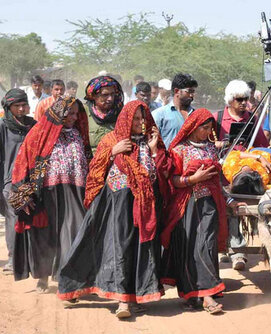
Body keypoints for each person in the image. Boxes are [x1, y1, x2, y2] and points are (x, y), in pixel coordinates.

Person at [58, 100, 170, 318]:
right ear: (127, 118)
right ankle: (122, 302)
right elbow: (95, 170)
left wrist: (156, 150)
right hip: (117, 203)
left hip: (145, 205)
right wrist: (112, 152)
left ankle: (136, 295)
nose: (140, 123)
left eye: (143, 118)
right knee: (120, 248)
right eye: (136, 118)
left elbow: (164, 172)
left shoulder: (152, 140)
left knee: (142, 250)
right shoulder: (112, 139)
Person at [161, 109, 244, 313]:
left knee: (206, 246)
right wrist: (193, 179)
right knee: (188, 249)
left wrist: (230, 200)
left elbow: (218, 180)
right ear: (193, 127)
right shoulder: (178, 150)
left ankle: (207, 294)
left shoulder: (210, 149)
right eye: (204, 128)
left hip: (209, 205)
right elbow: (173, 180)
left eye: (210, 128)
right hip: (187, 206)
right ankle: (192, 295)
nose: (208, 132)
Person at [9, 97, 92, 292]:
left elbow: (88, 160)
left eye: (76, 113)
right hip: (45, 195)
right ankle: (43, 277)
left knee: (75, 233)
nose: (73, 117)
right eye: (69, 113)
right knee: (45, 238)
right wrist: (23, 191)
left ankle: (70, 281)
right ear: (58, 112)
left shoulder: (79, 135)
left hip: (74, 193)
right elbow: (23, 161)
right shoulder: (40, 133)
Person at [0, 89, 36, 274]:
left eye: (24, 105)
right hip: (10, 181)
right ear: (9, 107)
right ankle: (14, 258)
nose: (22, 109)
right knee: (14, 218)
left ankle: (33, 259)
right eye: (17, 106)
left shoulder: (34, 125)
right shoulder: (3, 127)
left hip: (33, 181)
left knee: (34, 219)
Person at [214, 80, 269, 149]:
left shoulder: (252, 119)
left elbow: (262, 145)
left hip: (247, 159)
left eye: (246, 99)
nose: (243, 102)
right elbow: (207, 145)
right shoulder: (217, 118)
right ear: (230, 99)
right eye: (239, 99)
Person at [152, 73, 197, 148]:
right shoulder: (159, 115)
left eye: (193, 92)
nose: (191, 95)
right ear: (177, 91)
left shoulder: (196, 115)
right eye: (189, 91)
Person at [84, 75, 125, 148]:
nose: (110, 99)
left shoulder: (121, 112)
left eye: (112, 94)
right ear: (93, 96)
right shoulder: (83, 112)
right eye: (105, 95)